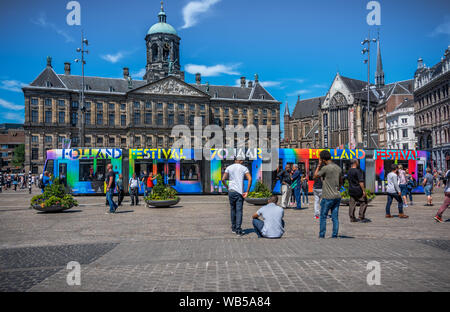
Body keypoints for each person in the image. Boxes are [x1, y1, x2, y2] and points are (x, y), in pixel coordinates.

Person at [314, 150, 343, 238]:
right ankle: (334, 235)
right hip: (337, 196)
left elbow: (315, 176)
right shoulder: (338, 168)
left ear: (323, 159)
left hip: (327, 197)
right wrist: (337, 188)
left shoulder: (325, 168)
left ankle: (322, 235)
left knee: (323, 217)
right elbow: (341, 182)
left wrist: (319, 165)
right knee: (335, 217)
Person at [221, 158, 252, 236]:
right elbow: (250, 179)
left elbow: (223, 179)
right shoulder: (244, 168)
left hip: (231, 191)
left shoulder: (229, 167)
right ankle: (238, 230)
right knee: (239, 211)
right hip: (239, 192)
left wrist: (227, 187)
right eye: (242, 160)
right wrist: (247, 191)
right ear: (240, 161)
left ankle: (233, 228)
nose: (243, 162)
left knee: (232, 209)